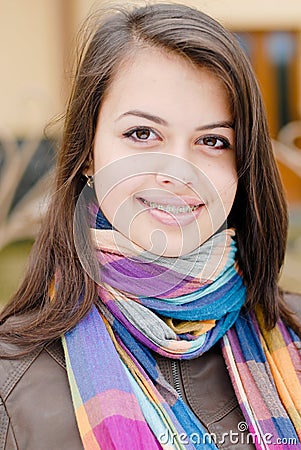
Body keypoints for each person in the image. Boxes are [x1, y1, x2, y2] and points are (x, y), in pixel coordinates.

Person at [0, 3, 300, 449]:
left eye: (213, 141)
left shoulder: (294, 335)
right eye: (142, 134)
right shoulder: (11, 377)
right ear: (87, 154)